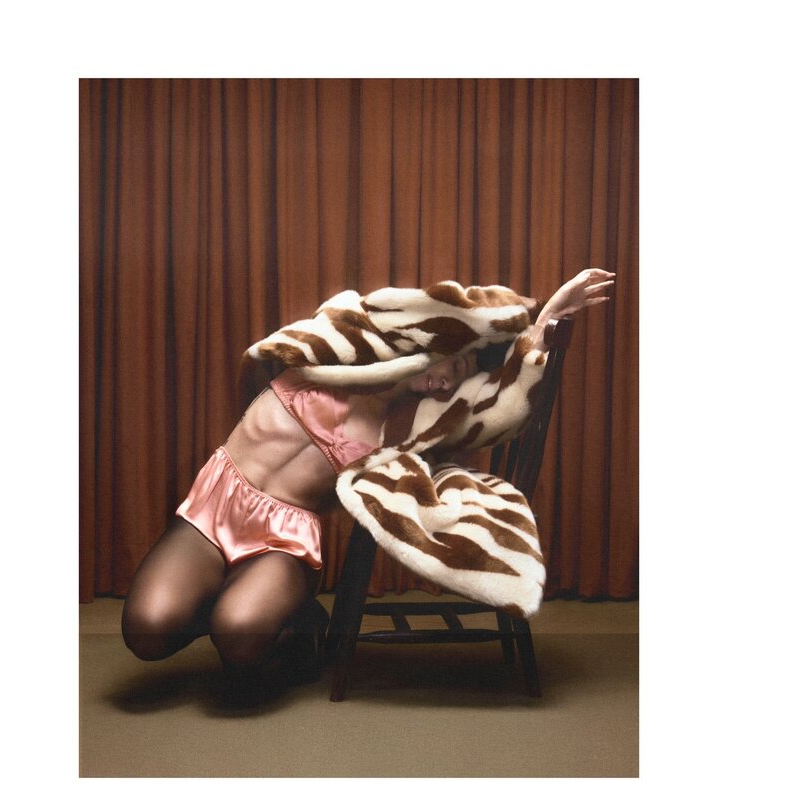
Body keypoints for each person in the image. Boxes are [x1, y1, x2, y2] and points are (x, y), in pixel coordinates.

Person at [121, 268, 614, 705]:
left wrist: (544, 324)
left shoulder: (406, 428)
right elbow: (419, 311)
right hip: (216, 507)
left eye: (459, 382)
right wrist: (497, 317)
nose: (447, 384)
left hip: (282, 541)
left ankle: (302, 623)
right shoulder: (341, 349)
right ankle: (214, 593)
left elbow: (502, 406)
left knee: (240, 634)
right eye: (455, 366)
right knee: (146, 631)